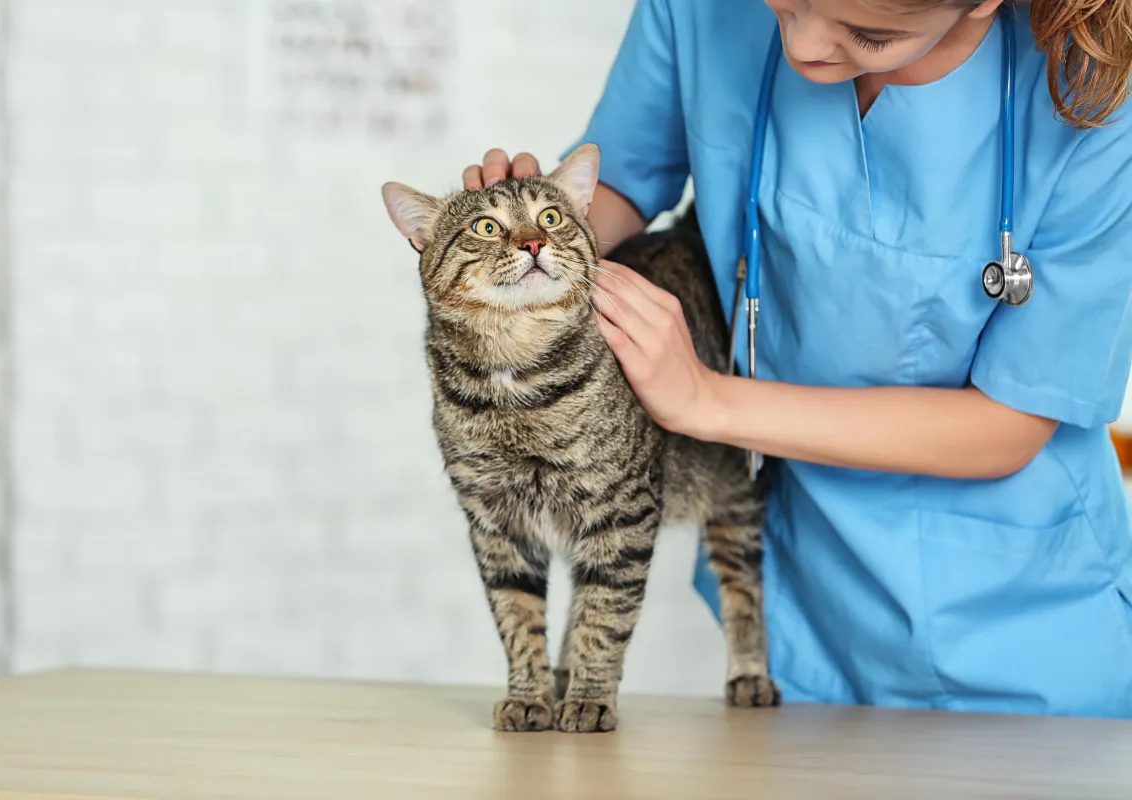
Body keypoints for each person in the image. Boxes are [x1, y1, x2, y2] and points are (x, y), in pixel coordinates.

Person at [460, 0, 1132, 719]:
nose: (804, 48)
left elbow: (1011, 422)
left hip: (1024, 636)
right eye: (781, 2)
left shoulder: (1096, 101)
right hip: (798, 613)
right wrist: (529, 238)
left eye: (869, 34)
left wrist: (706, 401)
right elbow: (621, 179)